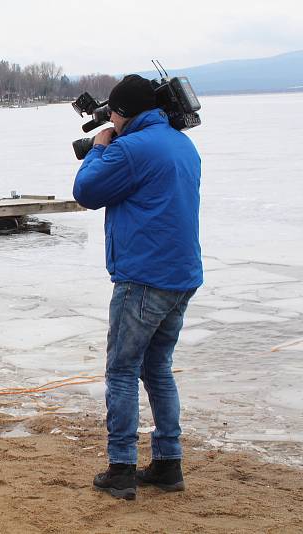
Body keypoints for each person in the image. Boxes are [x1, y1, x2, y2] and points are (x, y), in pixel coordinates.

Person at [72, 74, 202, 500]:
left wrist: (99, 148)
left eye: (112, 112)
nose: (108, 118)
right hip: (181, 276)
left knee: (123, 370)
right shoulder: (182, 144)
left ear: (123, 113)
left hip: (143, 277)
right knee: (158, 369)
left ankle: (122, 468)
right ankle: (168, 463)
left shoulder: (130, 148)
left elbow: (86, 192)